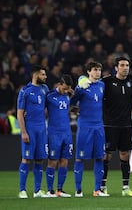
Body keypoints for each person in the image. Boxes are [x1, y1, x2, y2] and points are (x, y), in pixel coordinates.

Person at [100, 57, 132, 196]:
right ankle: (102, 186)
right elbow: (91, 83)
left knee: (125, 154)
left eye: (127, 65)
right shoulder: (107, 81)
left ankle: (125, 187)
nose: (125, 68)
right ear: (116, 67)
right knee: (107, 155)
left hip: (126, 125)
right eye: (122, 65)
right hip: (109, 124)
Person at [71, 61, 109, 197]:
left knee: (100, 158)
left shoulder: (102, 85)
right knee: (80, 159)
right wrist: (79, 86)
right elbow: (72, 103)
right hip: (85, 126)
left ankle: (97, 190)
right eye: (95, 70)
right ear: (88, 72)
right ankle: (78, 190)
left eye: (99, 70)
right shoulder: (81, 86)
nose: (97, 72)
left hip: (98, 126)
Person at [17, 65, 50, 198]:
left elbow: (49, 105)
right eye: (43, 74)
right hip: (30, 129)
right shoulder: (25, 91)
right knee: (26, 159)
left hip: (42, 129)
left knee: (39, 160)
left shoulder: (45, 89)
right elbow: (19, 113)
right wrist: (24, 132)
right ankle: (22, 190)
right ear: (36, 75)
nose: (45, 77)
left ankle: (37, 191)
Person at [45, 74, 74, 197]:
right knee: (52, 161)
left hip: (66, 133)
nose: (66, 91)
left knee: (64, 161)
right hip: (54, 133)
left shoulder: (68, 96)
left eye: (68, 89)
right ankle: (50, 190)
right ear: (59, 84)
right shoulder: (50, 96)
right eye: (64, 88)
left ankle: (59, 190)